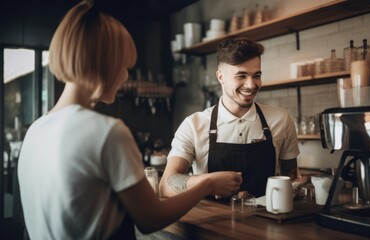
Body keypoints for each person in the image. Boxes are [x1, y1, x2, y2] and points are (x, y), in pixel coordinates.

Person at [17, 1, 242, 239]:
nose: (125, 76)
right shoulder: (107, 132)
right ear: (104, 63)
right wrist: (207, 185)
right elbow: (151, 218)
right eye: (124, 66)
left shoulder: (36, 130)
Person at [160, 36, 300, 199]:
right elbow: (165, 186)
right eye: (241, 76)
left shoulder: (281, 119)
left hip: (267, 220)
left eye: (256, 75)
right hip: (211, 222)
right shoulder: (194, 125)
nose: (251, 85)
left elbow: (291, 179)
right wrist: (209, 183)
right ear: (221, 77)